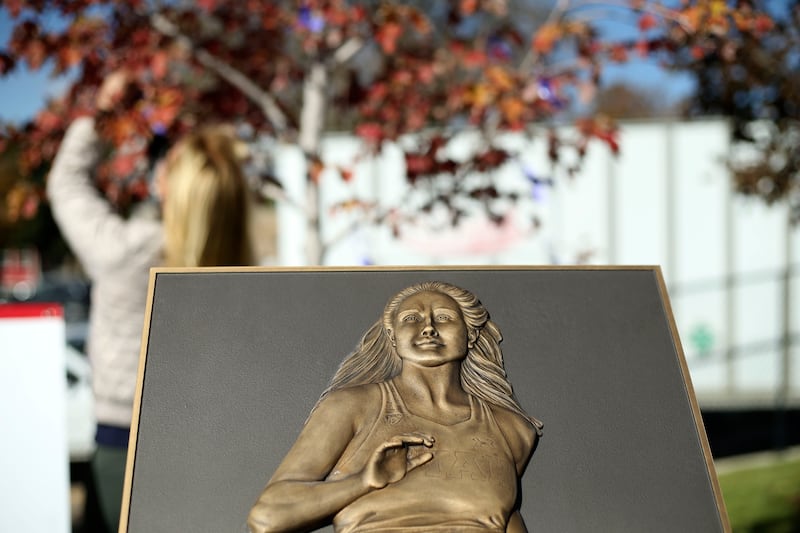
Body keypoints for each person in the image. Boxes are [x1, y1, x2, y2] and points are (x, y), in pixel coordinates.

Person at [47, 72, 255, 531]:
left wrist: (100, 115)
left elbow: (67, 186)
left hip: (124, 449)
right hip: (218, 448)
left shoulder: (129, 251)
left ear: (171, 189)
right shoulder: (246, 272)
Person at [247, 281, 543, 533]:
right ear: (392, 337)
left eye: (443, 318)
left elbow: (506, 519)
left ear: (471, 334)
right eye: (411, 319)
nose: (428, 329)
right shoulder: (352, 407)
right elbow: (267, 517)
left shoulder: (511, 430)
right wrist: (364, 481)